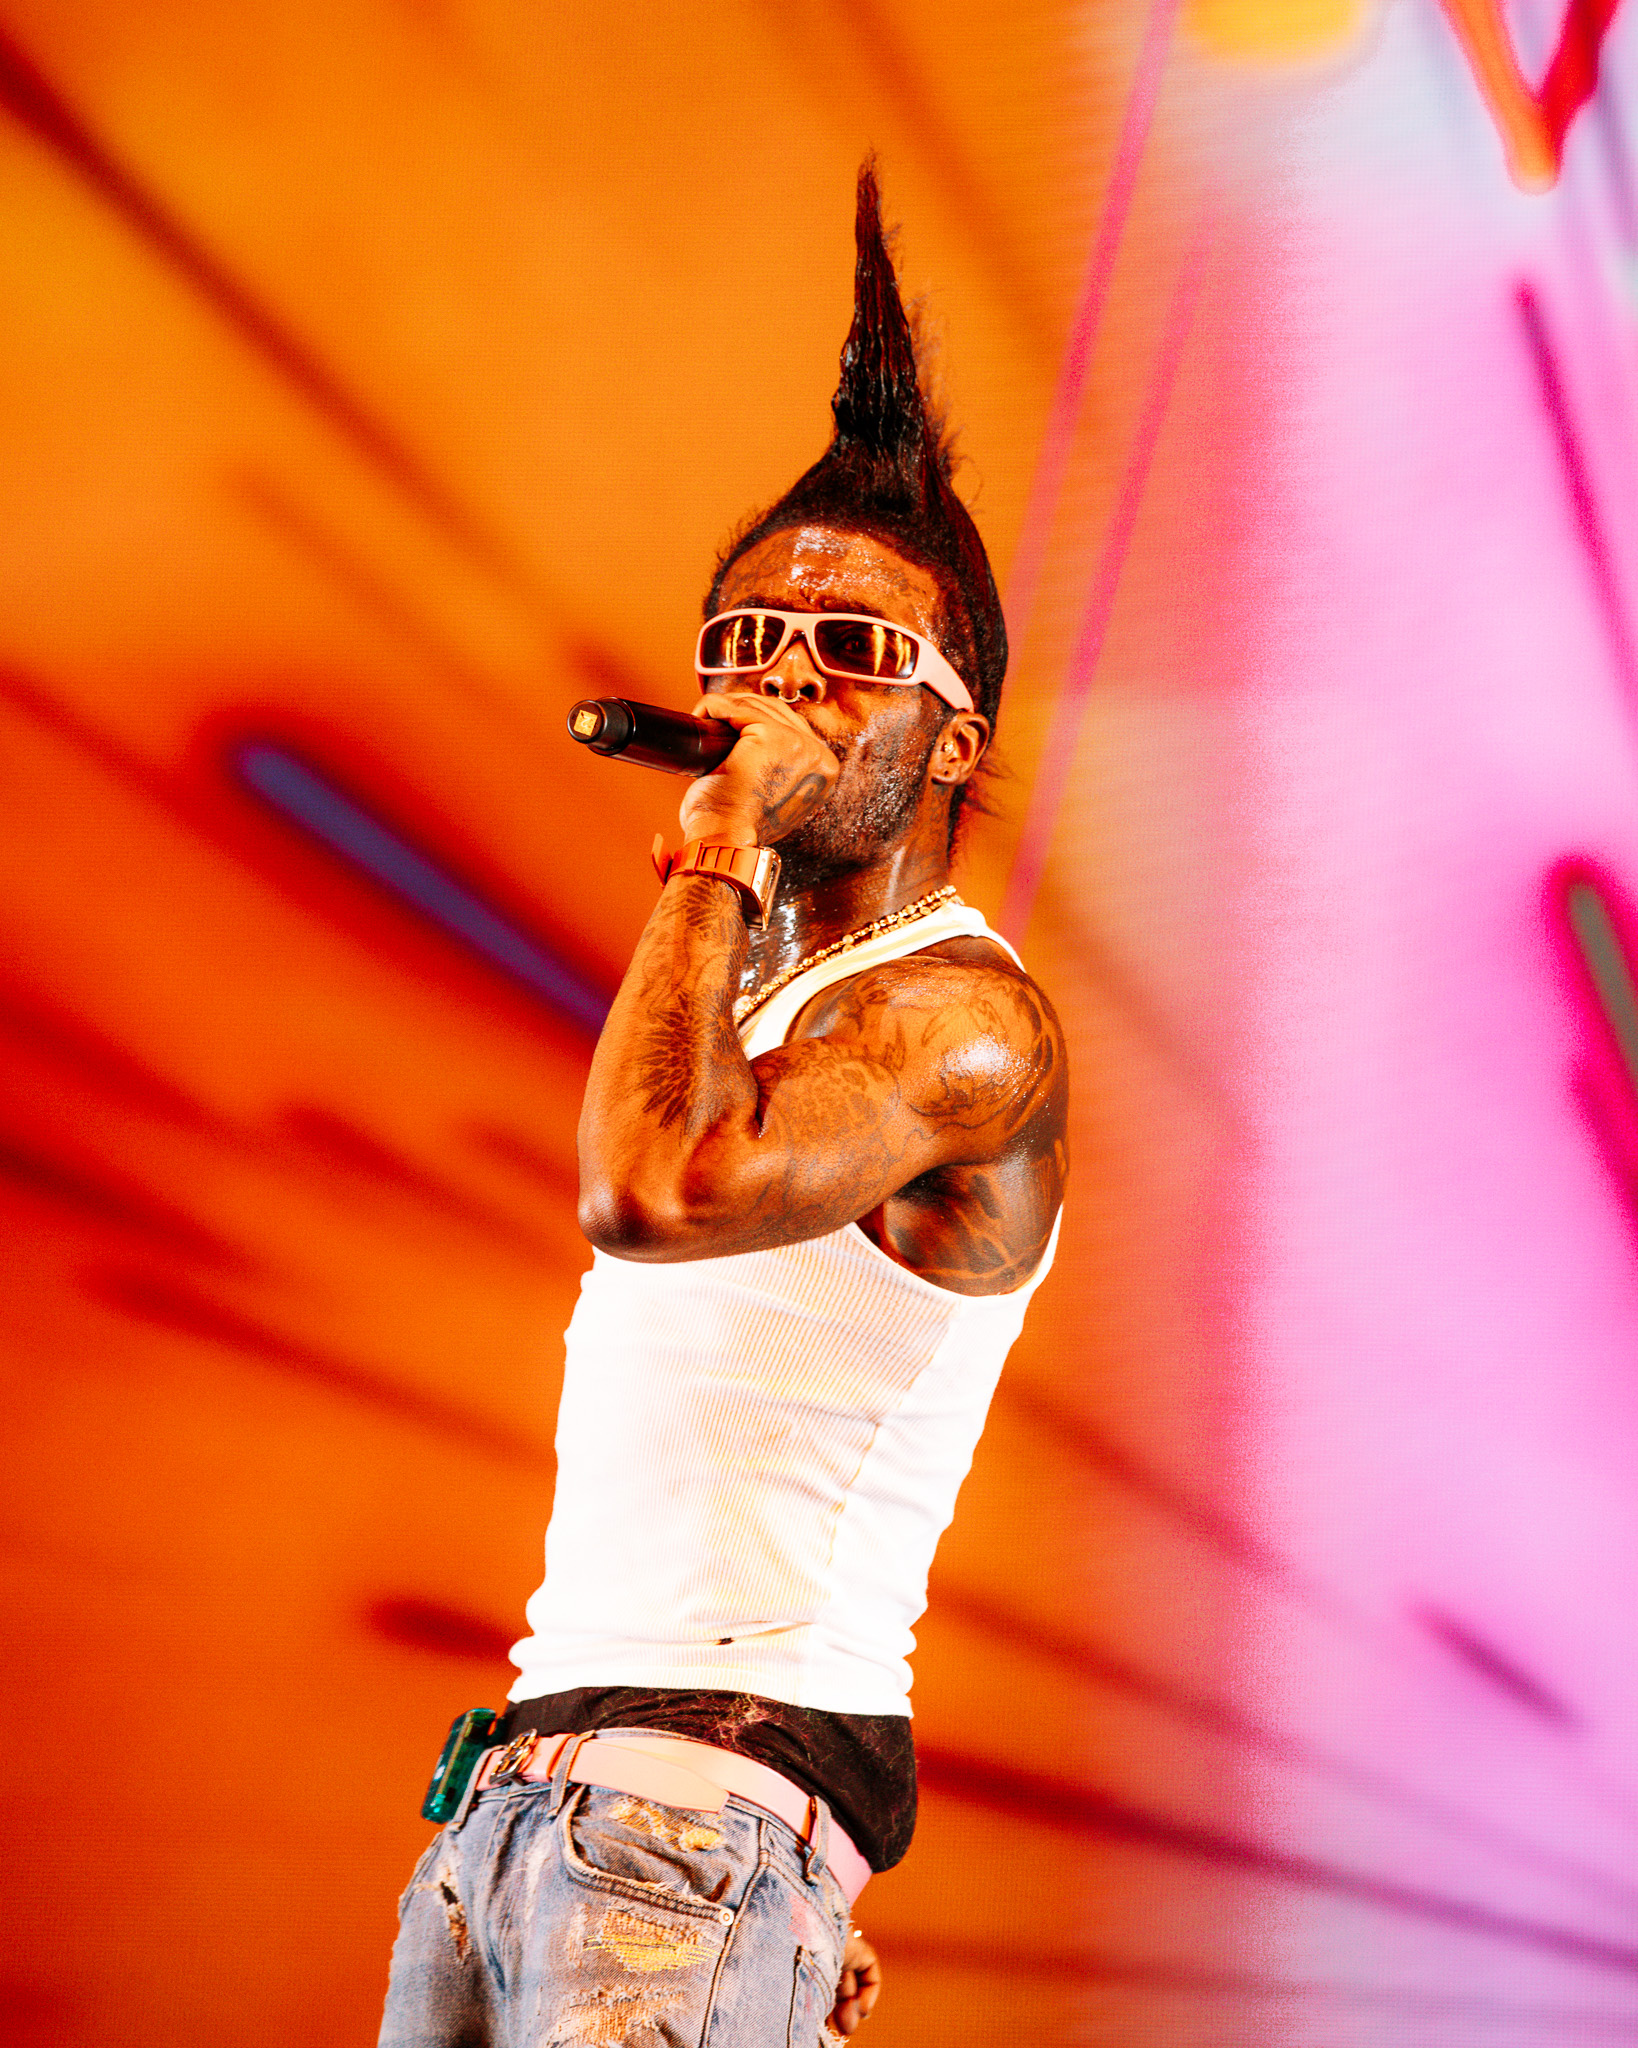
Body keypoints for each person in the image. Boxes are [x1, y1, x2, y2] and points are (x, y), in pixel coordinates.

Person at [379, 158, 1068, 2048]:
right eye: (747, 641)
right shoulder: (762, 988)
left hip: (685, 1832)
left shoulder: (960, 1023)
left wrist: (715, 846)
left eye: (852, 653)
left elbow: (657, 1189)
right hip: (545, 1806)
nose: (782, 682)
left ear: (955, 732)